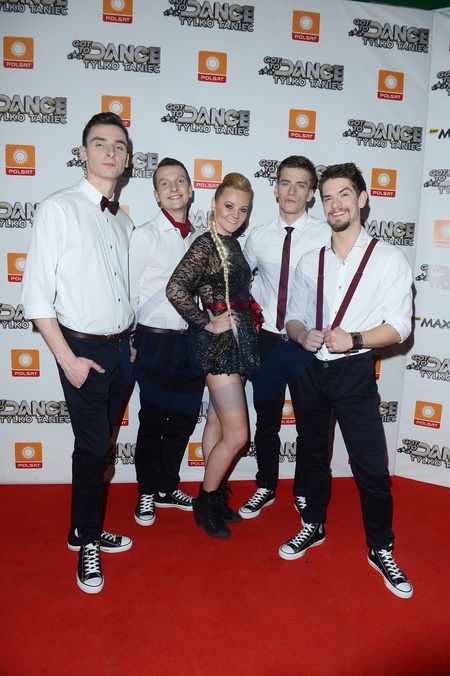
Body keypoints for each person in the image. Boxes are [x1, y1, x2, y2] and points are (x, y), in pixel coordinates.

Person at [281, 162, 413, 599]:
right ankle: (313, 524)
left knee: (371, 467)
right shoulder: (310, 258)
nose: (335, 204)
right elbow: (293, 317)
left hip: (354, 374)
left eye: (344, 194)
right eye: (328, 197)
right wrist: (302, 335)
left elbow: (399, 326)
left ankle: (381, 547)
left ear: (362, 199)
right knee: (312, 456)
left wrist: (353, 339)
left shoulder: (389, 259)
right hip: (310, 372)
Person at [20, 112, 135, 595]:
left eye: (119, 146)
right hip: (81, 351)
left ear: (127, 160)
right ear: (83, 153)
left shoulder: (124, 220)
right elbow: (35, 297)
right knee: (91, 448)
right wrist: (68, 359)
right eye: (100, 143)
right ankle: (88, 540)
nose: (110, 151)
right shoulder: (58, 208)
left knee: (98, 447)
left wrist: (131, 339)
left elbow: (124, 289)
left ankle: (78, 528)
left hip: (122, 351)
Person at [166, 172, 259, 538]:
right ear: (214, 204)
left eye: (243, 209)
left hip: (236, 343)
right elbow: (176, 288)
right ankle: (205, 502)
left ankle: (216, 495)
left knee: (218, 425)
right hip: (218, 349)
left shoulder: (231, 243)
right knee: (238, 436)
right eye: (229, 206)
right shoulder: (206, 244)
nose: (235, 214)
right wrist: (206, 321)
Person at [239, 156, 329, 519]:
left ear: (311, 194)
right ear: (275, 189)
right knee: (266, 422)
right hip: (268, 341)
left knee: (310, 424)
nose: (292, 191)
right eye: (286, 183)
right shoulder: (258, 236)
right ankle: (265, 485)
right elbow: (239, 282)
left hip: (308, 344)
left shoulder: (326, 235)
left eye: (301, 185)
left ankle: (303, 490)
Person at [129, 158, 205, 527]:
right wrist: (131, 338)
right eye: (164, 183)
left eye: (179, 181)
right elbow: (129, 291)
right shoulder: (144, 235)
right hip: (154, 341)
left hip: (192, 342)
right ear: (157, 195)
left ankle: (166, 486)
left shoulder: (201, 239)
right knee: (153, 420)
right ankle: (146, 490)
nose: (173, 188)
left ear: (191, 190)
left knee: (184, 419)